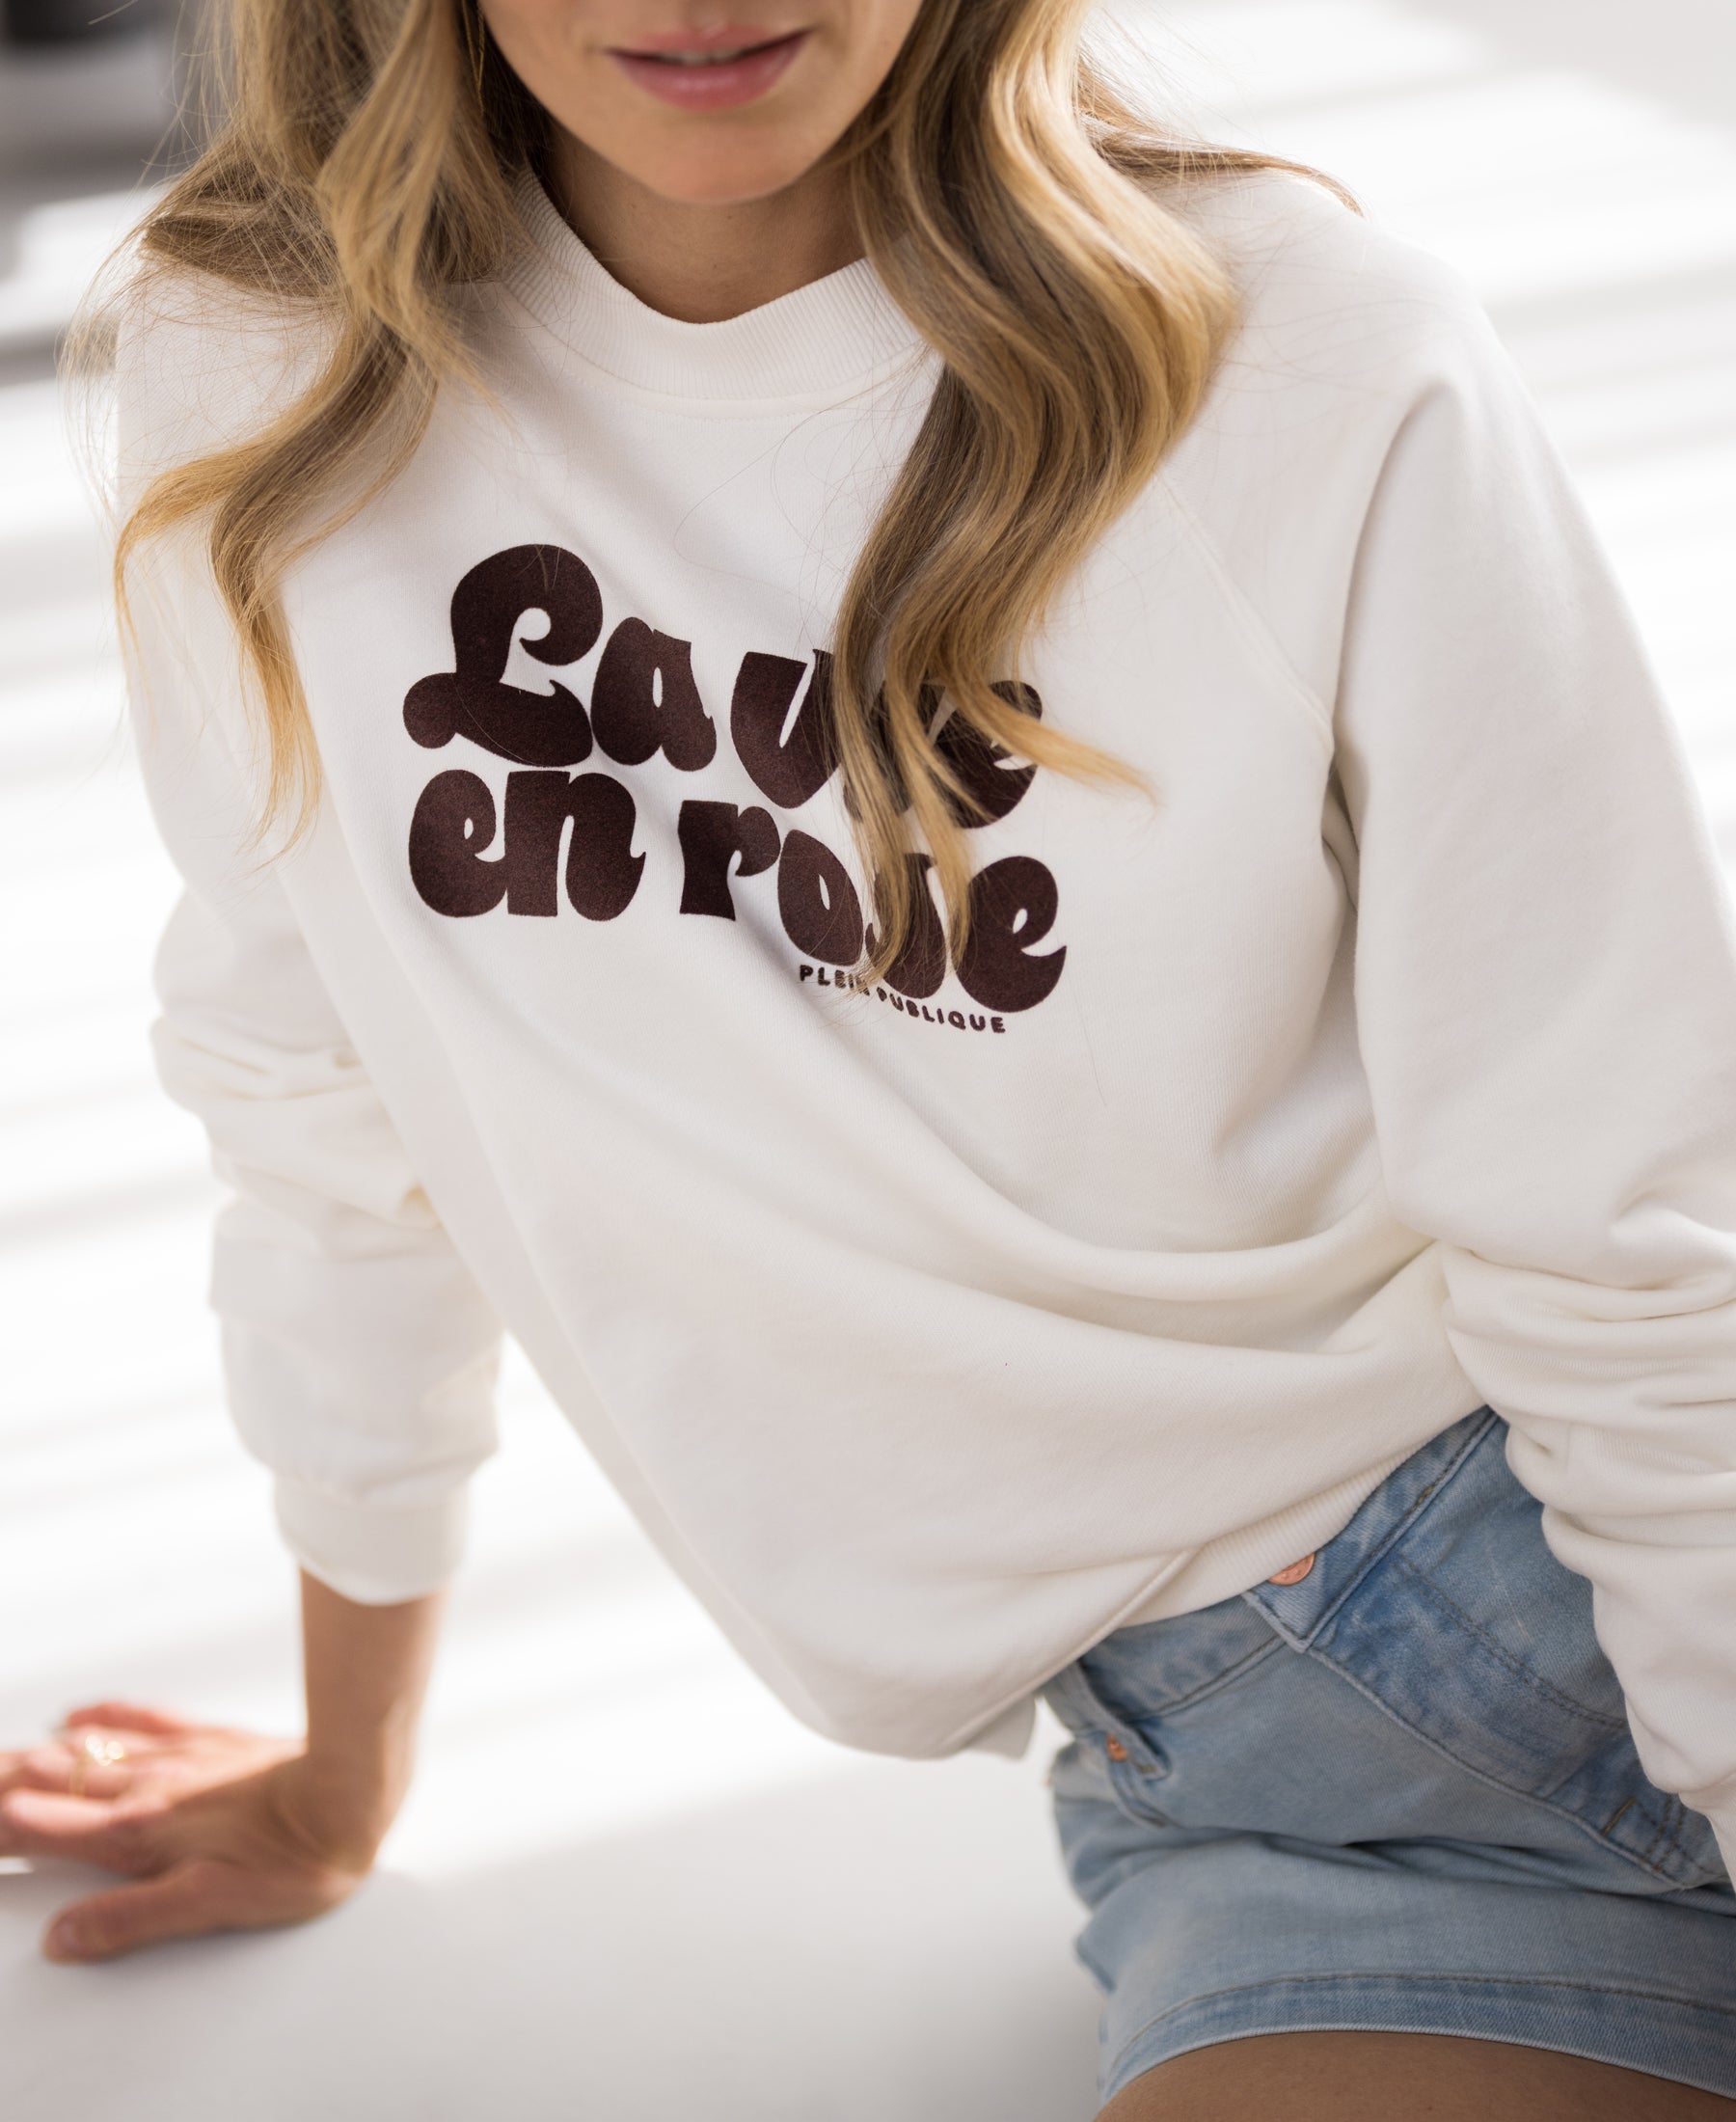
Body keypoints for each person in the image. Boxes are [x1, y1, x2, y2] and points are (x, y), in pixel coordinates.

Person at [5, 1, 1736, 2113]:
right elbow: (315, 1096)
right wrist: (342, 1762)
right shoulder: (255, 372)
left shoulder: (1307, 359)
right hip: (1249, 1799)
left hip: (1560, 1585)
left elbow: (1634, 1215)